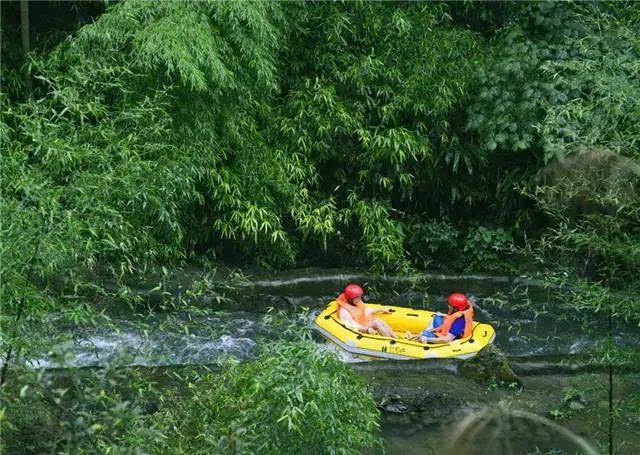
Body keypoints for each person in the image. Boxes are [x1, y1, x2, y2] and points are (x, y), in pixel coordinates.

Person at [408, 293, 474, 343]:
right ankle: (428, 331)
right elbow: (449, 322)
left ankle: (424, 335)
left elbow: (447, 339)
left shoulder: (459, 323)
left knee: (423, 334)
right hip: (447, 330)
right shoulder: (463, 309)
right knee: (438, 317)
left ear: (456, 309)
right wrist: (438, 328)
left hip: (451, 338)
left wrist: (426, 339)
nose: (448, 306)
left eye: (450, 305)